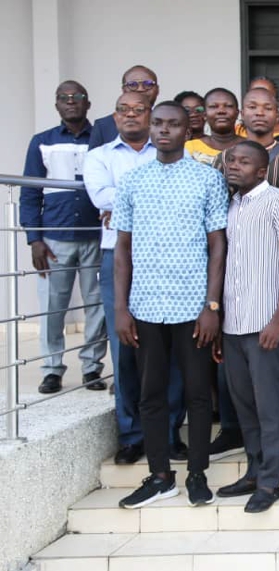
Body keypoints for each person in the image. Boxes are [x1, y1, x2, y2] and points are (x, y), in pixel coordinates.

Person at [114, 101, 228, 509]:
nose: (164, 130)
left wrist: (211, 305)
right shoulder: (132, 181)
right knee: (151, 394)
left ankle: (197, 474)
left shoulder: (206, 179)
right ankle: (160, 475)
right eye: (158, 123)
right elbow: (122, 248)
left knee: (198, 394)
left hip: (193, 306)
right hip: (145, 306)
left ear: (187, 130)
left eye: (173, 124)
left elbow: (218, 246)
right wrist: (122, 308)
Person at [84, 92, 189, 465]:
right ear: (114, 117)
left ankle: (170, 432)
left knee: (172, 349)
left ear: (151, 116)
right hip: (121, 256)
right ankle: (131, 434)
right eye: (124, 110)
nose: (131, 115)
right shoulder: (98, 157)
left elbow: (180, 200)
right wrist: (148, 200)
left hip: (172, 258)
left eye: (139, 110)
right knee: (125, 348)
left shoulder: (181, 154)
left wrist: (130, 204)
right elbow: (101, 198)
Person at [215, 141, 279, 514]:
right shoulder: (232, 204)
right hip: (234, 325)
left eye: (244, 162)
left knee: (268, 407)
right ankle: (253, 471)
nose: (234, 166)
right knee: (244, 404)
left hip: (266, 323)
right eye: (231, 160)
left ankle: (269, 481)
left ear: (263, 170)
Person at [21, 80, 106, 395]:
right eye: (64, 98)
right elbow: (30, 193)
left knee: (96, 305)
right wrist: (34, 239)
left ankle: (92, 367)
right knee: (52, 307)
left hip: (97, 236)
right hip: (54, 238)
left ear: (88, 103)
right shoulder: (41, 142)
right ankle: (52, 369)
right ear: (56, 104)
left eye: (78, 97)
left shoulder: (101, 139)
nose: (71, 102)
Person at [212, 88, 279, 195]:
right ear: (242, 114)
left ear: (277, 115)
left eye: (268, 108)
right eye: (252, 107)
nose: (259, 113)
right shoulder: (224, 158)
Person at [90, 65, 159, 149]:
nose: (140, 89)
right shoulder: (103, 126)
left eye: (148, 84)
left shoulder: (170, 122)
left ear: (157, 90)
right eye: (132, 84)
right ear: (123, 90)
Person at [184, 88, 244, 165]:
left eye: (228, 106)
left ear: (237, 113)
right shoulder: (190, 148)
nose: (221, 111)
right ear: (204, 115)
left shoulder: (251, 147)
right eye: (213, 106)